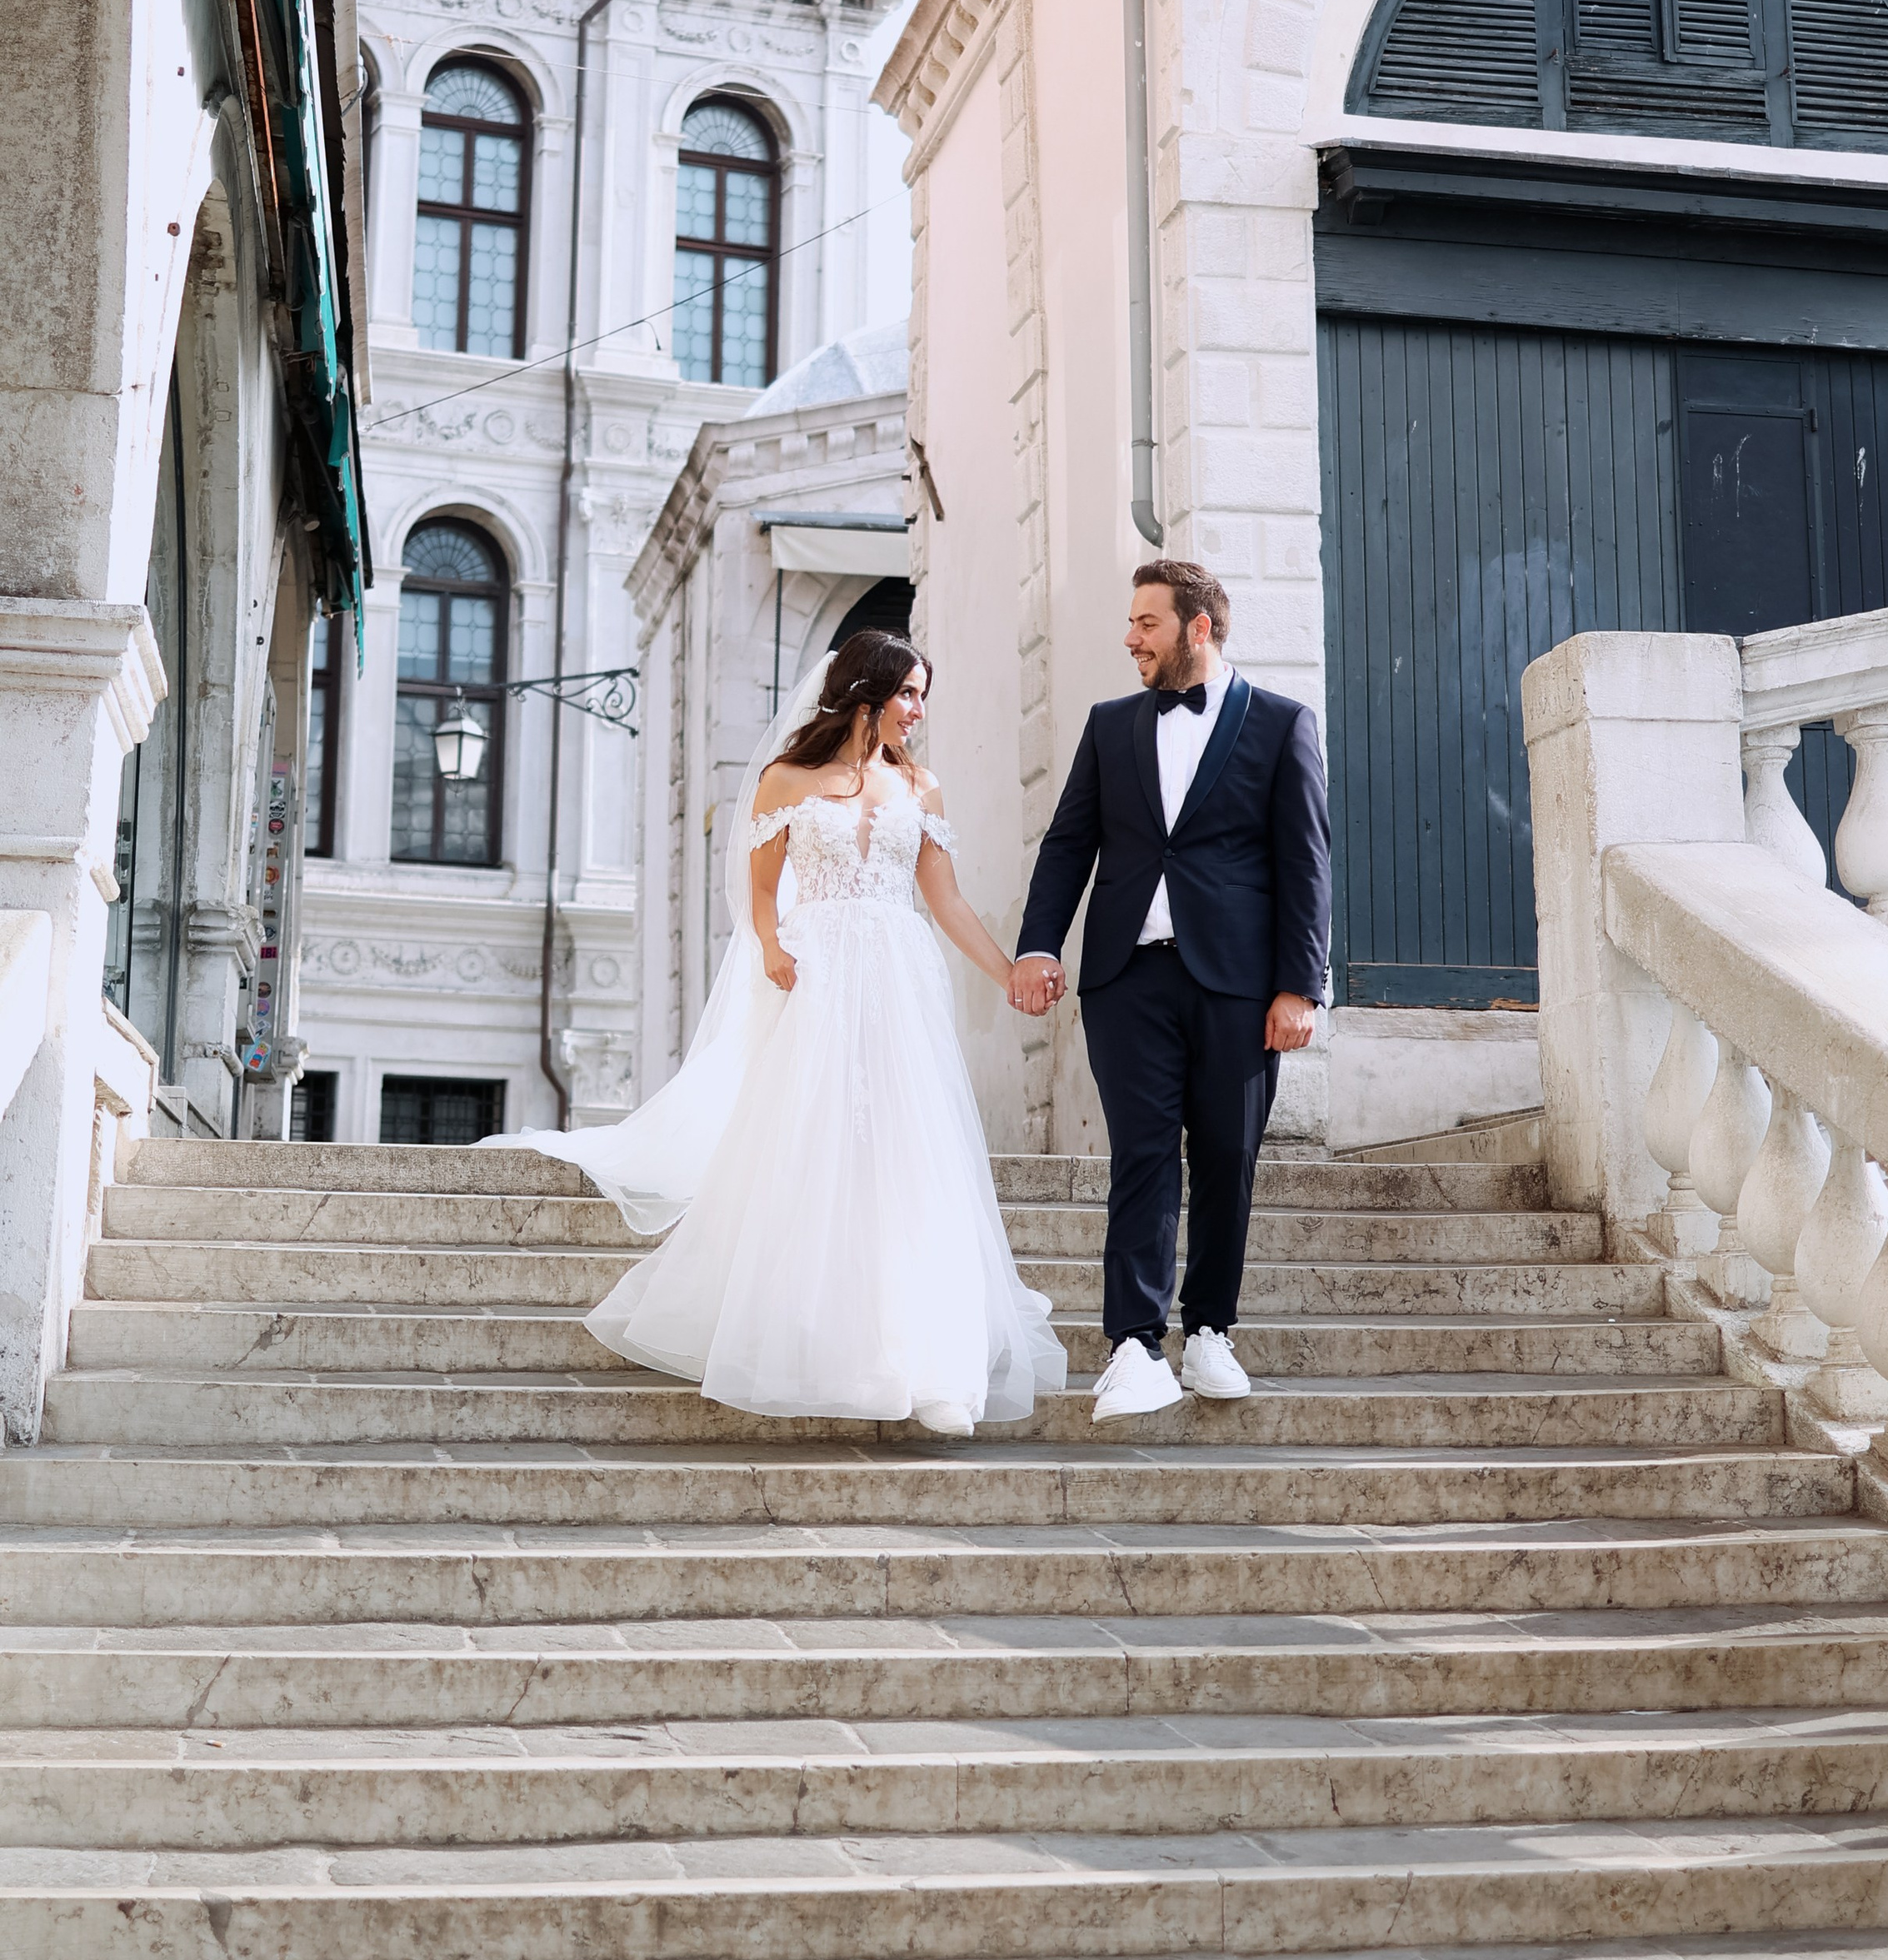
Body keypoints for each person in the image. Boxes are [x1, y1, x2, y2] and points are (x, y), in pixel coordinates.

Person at [494, 631, 1061, 1436]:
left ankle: (931, 1362)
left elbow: (947, 899)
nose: (918, 709)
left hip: (899, 975)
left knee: (906, 1147)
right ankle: (809, 1335)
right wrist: (771, 946)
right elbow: (759, 892)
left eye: (922, 693)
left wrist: (1004, 970)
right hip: (820, 967)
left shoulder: (921, 788)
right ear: (866, 696)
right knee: (819, 1139)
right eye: (908, 693)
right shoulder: (786, 780)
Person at [1009, 560, 1331, 1424]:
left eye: (1145, 623)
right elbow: (1068, 844)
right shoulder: (1110, 726)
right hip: (1127, 977)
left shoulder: (1280, 724)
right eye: (1130, 622)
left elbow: (1306, 864)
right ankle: (1133, 1344)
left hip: (1238, 984)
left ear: (1198, 627)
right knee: (1142, 1154)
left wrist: (1300, 986)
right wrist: (1038, 944)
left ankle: (1211, 1331)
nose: (1129, 638)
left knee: (1226, 1156)